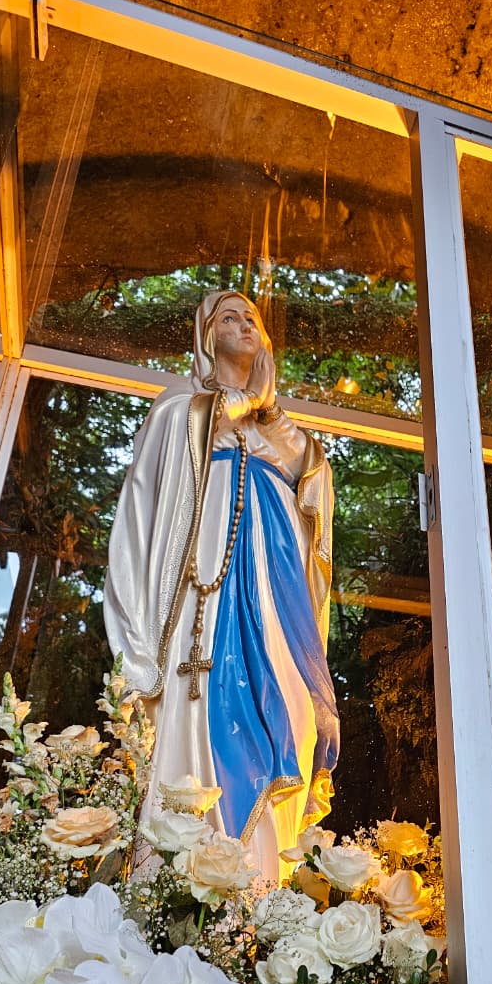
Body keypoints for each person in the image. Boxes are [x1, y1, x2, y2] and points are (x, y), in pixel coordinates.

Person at [104, 291, 339, 887]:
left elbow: (313, 489)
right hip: (204, 599)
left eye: (251, 319)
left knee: (293, 718)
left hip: (277, 597)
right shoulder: (183, 405)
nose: (242, 326)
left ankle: (264, 894)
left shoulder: (281, 430)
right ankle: (189, 883)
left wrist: (274, 422)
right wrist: (238, 403)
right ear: (206, 336)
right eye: (227, 317)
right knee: (201, 709)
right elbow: (166, 457)